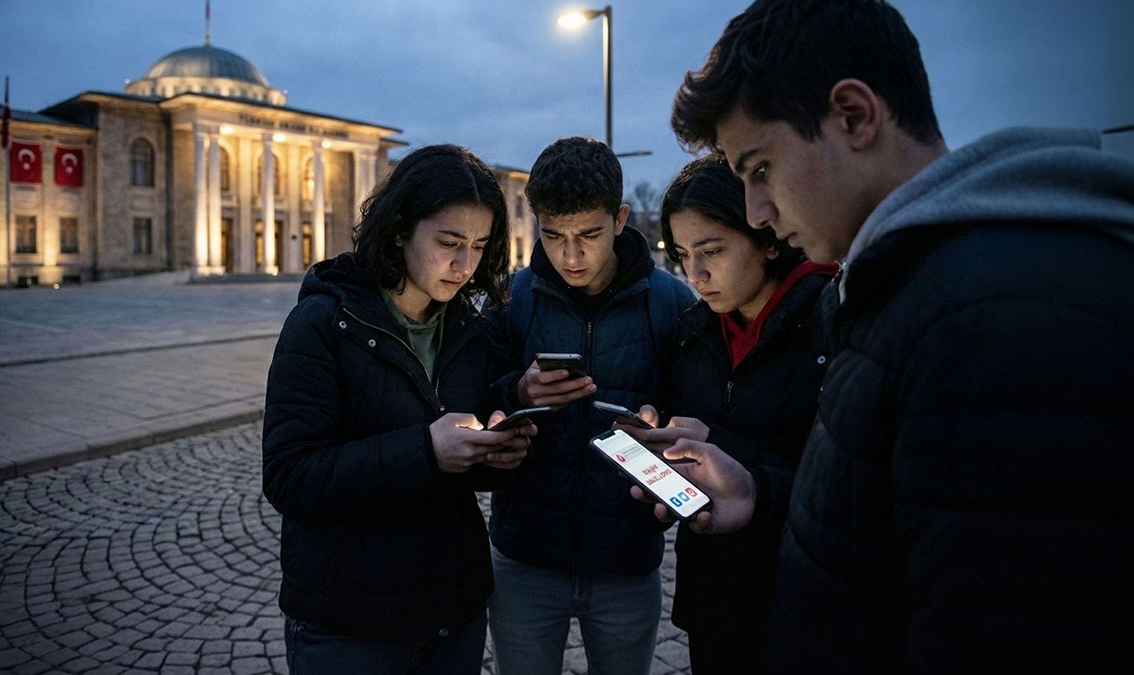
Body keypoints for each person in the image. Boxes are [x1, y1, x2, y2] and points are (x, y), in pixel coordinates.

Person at [644, 0, 1134, 671]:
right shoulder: (907, 286)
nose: (758, 211)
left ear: (854, 116)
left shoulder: (997, 311)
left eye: (761, 169)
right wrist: (761, 495)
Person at [262, 144, 535, 674]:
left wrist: (497, 454)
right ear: (398, 229)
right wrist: (426, 450)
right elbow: (291, 476)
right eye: (449, 243)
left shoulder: (468, 331)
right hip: (348, 624)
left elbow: (460, 465)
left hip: (451, 615)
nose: (465, 265)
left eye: (479, 246)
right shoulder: (323, 324)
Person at [486, 136, 696, 675]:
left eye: (588, 235)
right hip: (524, 558)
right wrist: (517, 393)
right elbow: (467, 400)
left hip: (626, 560)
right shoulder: (514, 298)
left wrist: (660, 425)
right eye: (553, 235)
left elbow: (699, 415)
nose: (570, 254)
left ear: (621, 219)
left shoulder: (673, 303)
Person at [621, 155, 836, 673]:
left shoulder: (832, 321)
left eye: (712, 251)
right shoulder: (694, 330)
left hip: (806, 605)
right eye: (682, 254)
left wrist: (724, 449)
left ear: (767, 239)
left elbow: (843, 483)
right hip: (714, 597)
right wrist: (660, 443)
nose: (695, 274)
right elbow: (683, 426)